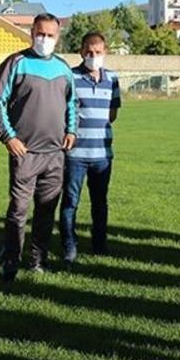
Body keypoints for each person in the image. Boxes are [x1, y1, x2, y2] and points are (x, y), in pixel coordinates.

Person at [0, 13, 77, 281]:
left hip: (55, 154)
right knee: (18, 211)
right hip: (25, 153)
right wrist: (8, 137)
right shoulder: (16, 62)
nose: (45, 39)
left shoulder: (63, 68)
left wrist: (72, 130)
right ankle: (11, 261)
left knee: (46, 211)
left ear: (58, 37)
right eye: (40, 34)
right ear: (31, 33)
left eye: (50, 35)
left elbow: (72, 104)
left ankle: (38, 260)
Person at [59, 31, 122, 263]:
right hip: (75, 154)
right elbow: (64, 110)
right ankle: (69, 246)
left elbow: (112, 114)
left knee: (100, 202)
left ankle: (99, 244)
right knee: (70, 201)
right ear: (81, 52)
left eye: (97, 52)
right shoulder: (71, 77)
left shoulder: (112, 78)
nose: (92, 56)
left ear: (105, 52)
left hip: (103, 154)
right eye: (88, 51)